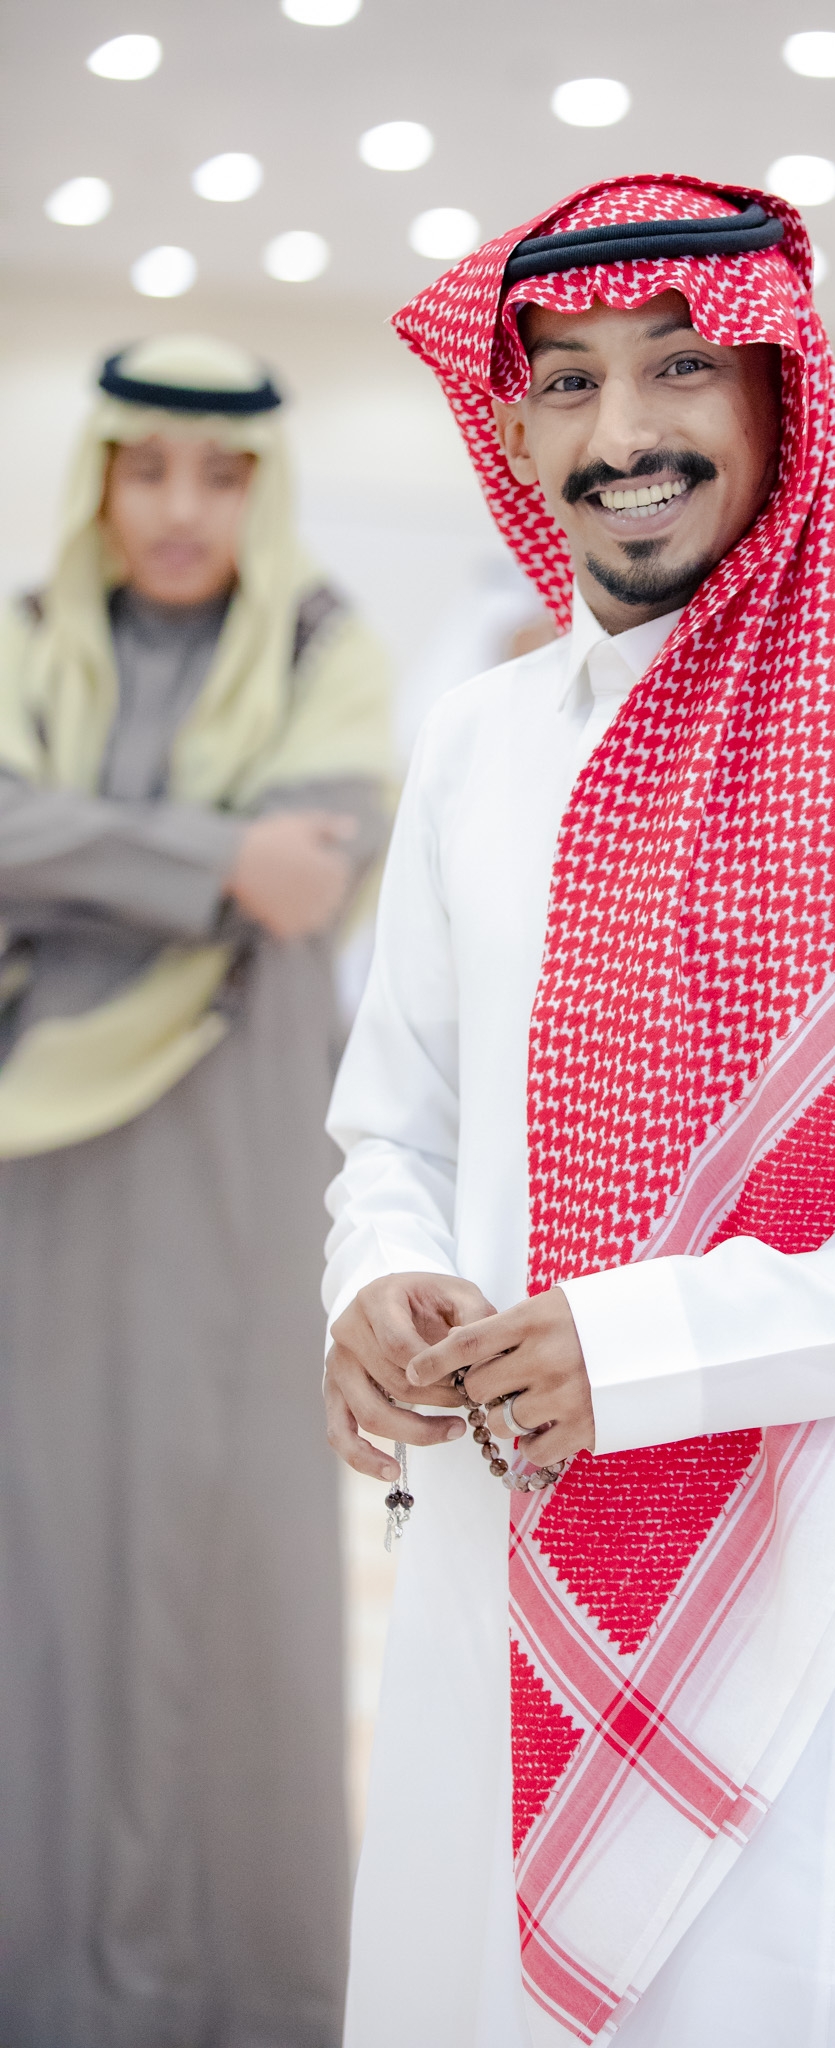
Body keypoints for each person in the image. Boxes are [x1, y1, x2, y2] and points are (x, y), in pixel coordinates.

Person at [322, 176, 835, 2048]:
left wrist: (649, 1351)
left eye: (679, 366)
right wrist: (373, 1275)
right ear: (513, 427)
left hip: (814, 1585)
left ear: (786, 390)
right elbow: (397, 1123)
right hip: (492, 1535)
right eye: (566, 381)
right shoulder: (475, 745)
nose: (620, 433)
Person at [0, 335, 392, 2048]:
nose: (179, 509)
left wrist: (67, 851)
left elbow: (314, 875)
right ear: (98, 476)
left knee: (239, 1569)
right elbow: (253, 868)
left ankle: (250, 1996)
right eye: (146, 470)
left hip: (240, 1162)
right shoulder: (29, 636)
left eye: (221, 476)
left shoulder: (323, 647)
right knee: (41, 1567)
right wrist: (212, 856)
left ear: (263, 489)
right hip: (40, 1166)